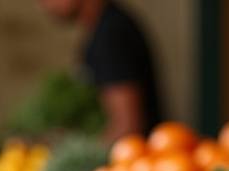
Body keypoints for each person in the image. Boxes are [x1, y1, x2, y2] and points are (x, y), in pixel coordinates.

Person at [38, 0, 162, 141]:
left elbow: (128, 126)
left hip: (139, 152)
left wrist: (86, 150)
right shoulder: (104, 28)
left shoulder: (111, 35)